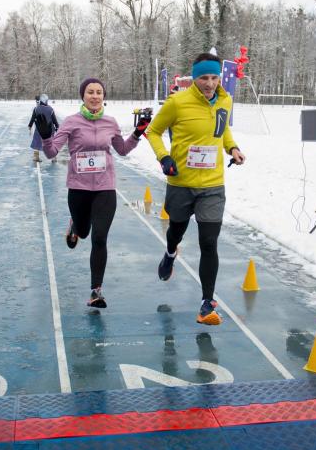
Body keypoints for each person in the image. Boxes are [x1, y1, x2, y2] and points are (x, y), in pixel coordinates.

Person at [145, 52, 245, 326]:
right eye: (204, 78)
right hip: (181, 182)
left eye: (214, 77)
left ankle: (206, 303)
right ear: (194, 77)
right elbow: (152, 132)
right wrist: (164, 158)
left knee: (209, 243)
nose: (210, 83)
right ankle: (170, 253)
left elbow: (222, 131)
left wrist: (232, 148)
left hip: (212, 185)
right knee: (175, 231)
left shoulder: (225, 100)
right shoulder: (177, 102)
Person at [38, 78, 150, 308]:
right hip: (79, 188)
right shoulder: (71, 122)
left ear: (104, 96)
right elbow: (51, 153)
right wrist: (45, 135)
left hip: (105, 187)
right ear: (83, 96)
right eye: (90, 92)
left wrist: (138, 134)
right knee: (85, 232)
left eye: (99, 92)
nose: (95, 96)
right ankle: (76, 226)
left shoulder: (111, 122)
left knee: (100, 238)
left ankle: (96, 291)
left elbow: (122, 150)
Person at [28, 94, 59, 163]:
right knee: (51, 144)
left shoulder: (36, 109)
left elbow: (32, 119)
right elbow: (54, 121)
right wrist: (57, 128)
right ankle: (54, 157)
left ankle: (36, 157)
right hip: (49, 130)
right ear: (46, 101)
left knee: (37, 142)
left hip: (39, 130)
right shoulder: (50, 109)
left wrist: (30, 126)